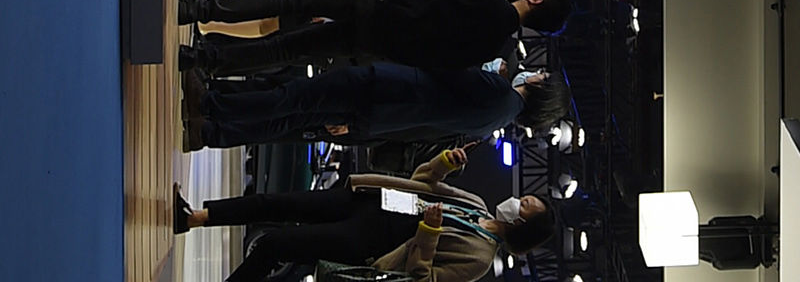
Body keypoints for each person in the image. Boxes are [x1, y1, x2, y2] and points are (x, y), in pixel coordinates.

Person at [171, 145, 555, 282]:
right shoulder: (476, 205)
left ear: (521, 225)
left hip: (369, 242)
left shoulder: (479, 260)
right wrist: (444, 163)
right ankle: (192, 217)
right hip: (370, 200)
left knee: (275, 244)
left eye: (524, 205)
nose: (517, 200)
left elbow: (422, 278)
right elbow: (421, 182)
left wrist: (429, 232)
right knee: (275, 203)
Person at [177, 0, 571, 76]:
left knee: (290, 0)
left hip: (380, 0)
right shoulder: (491, 48)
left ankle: (202, 9)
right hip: (376, 44)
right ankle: (203, 60)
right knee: (286, 51)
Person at [178, 48, 568, 153]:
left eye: (544, 77)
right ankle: (208, 126)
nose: (537, 73)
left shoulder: (499, 92)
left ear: (542, 90)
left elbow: (448, 71)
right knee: (294, 111)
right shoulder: (494, 123)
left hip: (387, 87)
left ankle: (209, 105)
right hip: (383, 112)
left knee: (292, 97)